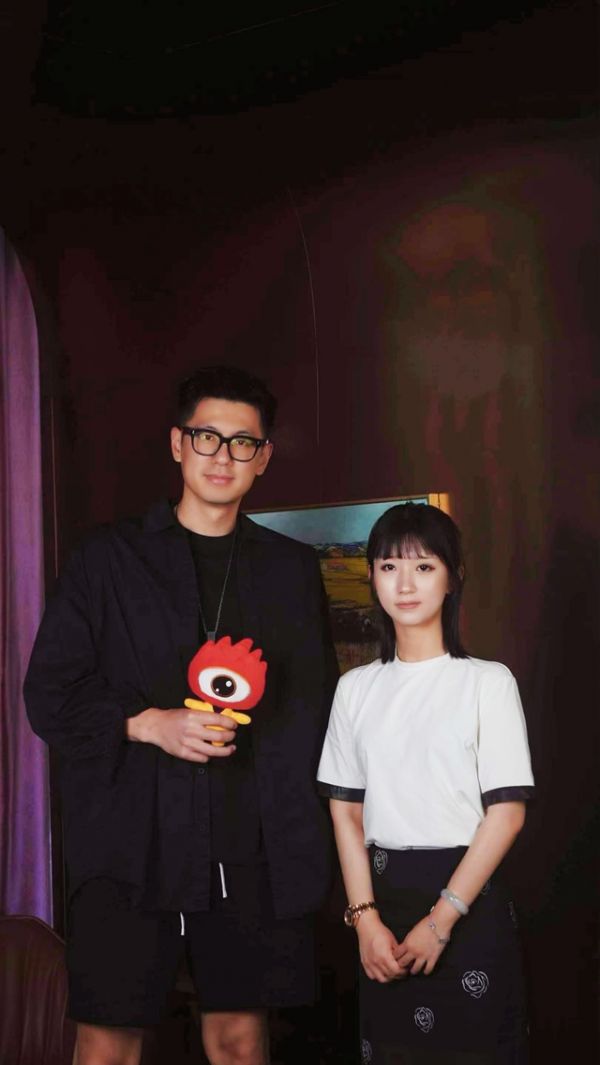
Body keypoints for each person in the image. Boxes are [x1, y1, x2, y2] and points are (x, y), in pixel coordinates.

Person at [24, 365, 338, 1065]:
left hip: (247, 846)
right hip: (130, 839)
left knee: (239, 1041)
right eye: (206, 437)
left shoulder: (289, 569)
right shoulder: (106, 559)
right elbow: (49, 690)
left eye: (242, 442)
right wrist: (147, 723)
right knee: (107, 1043)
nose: (223, 456)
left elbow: (313, 708)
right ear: (177, 443)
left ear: (264, 457)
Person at [317, 503, 534, 1064]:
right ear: (372, 577)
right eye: (389, 567)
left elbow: (507, 813)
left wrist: (441, 921)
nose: (405, 584)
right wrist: (365, 921)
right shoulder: (355, 689)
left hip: (468, 899)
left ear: (452, 577)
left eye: (423, 566)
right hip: (382, 904)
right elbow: (346, 811)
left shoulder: (488, 682)